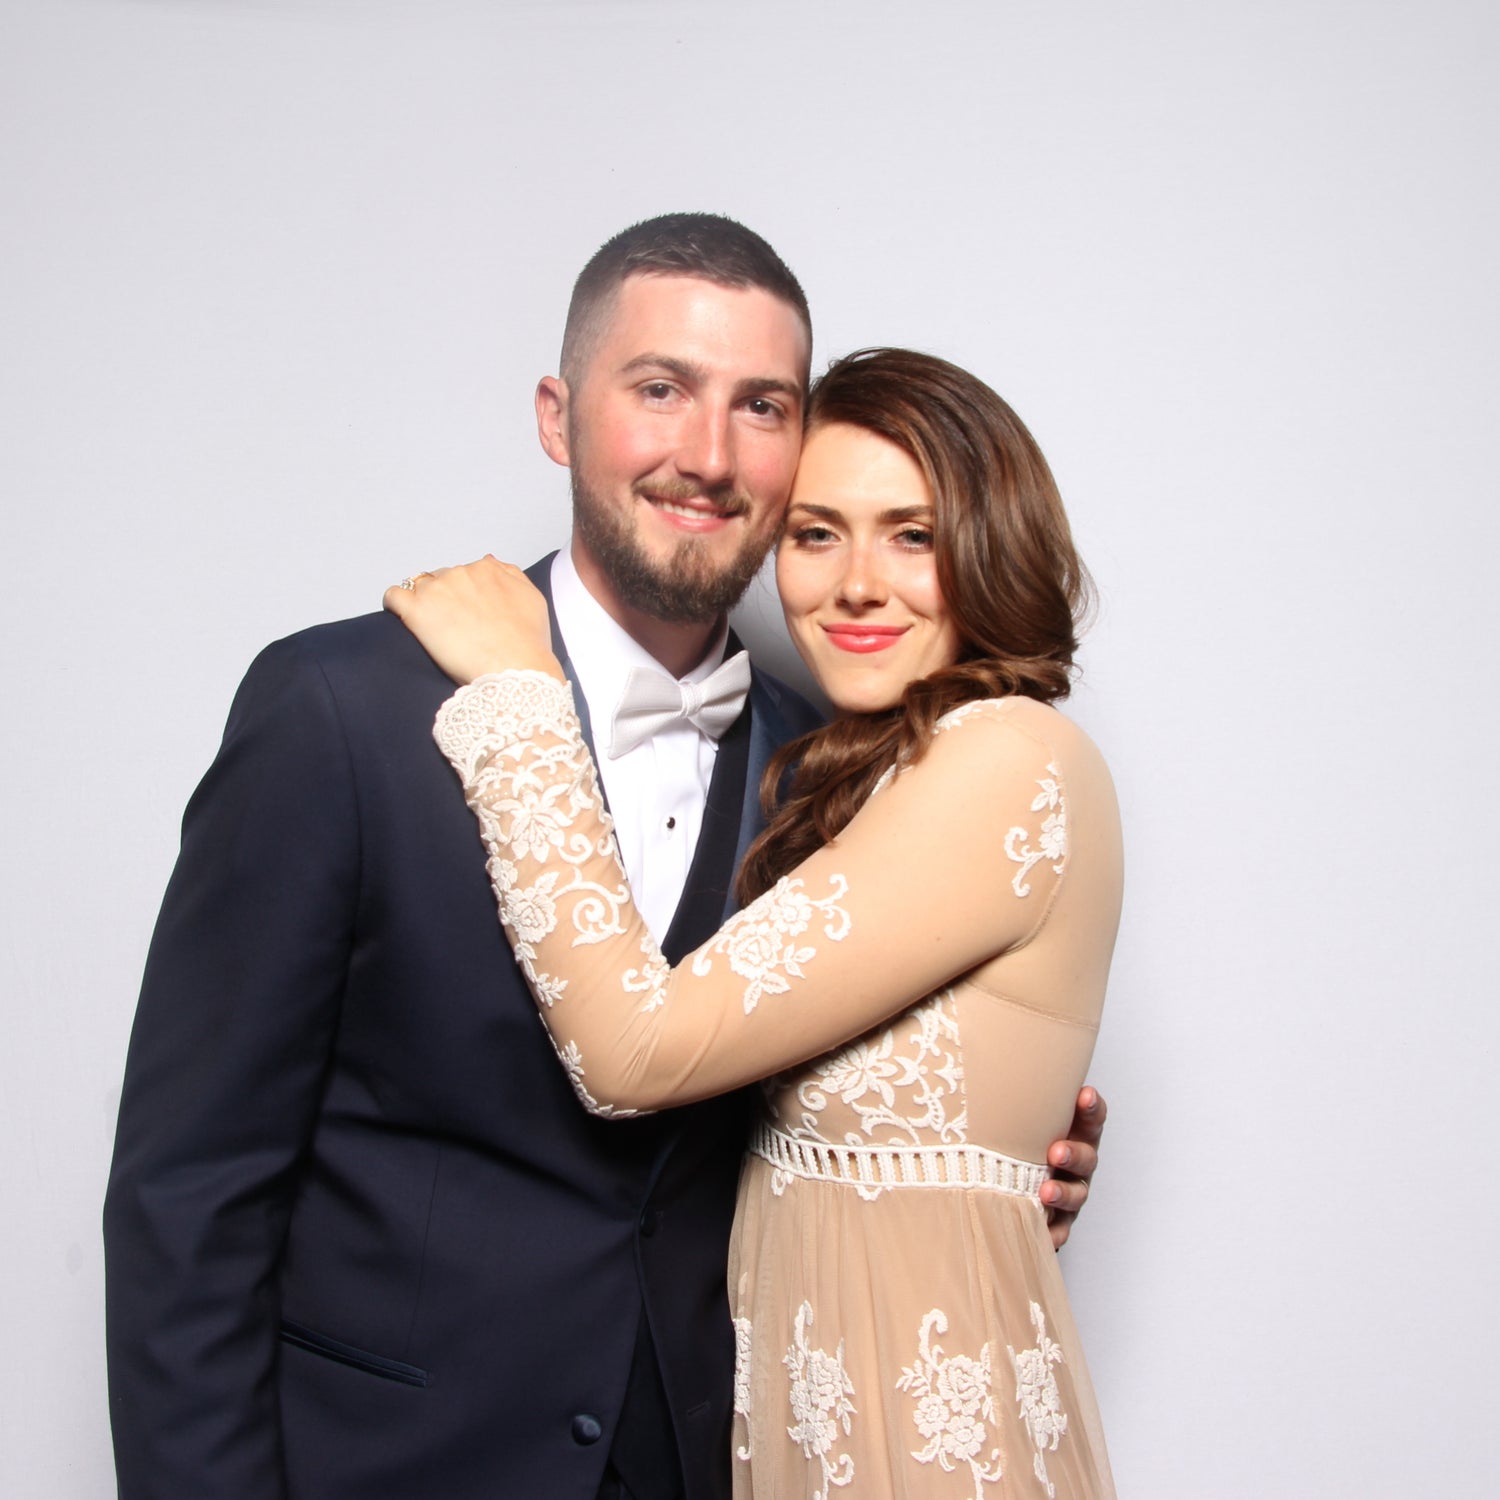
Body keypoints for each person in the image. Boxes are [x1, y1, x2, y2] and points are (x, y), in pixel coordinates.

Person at [103, 215, 1106, 1500]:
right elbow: (193, 1192)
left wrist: (1004, 1140)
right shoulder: (341, 711)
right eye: (660, 390)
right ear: (556, 416)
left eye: (761, 406)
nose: (707, 453)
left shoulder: (854, 775)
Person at [387, 346, 1123, 1497]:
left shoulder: (1009, 759)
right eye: (817, 533)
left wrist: (519, 700)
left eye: (914, 535)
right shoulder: (858, 776)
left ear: (995, 543)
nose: (858, 584)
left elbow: (638, 1051)